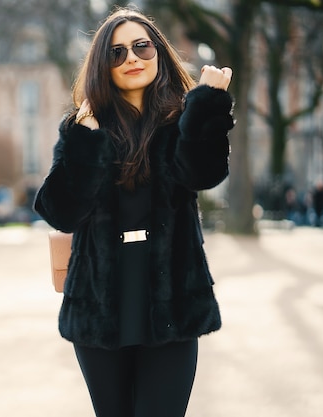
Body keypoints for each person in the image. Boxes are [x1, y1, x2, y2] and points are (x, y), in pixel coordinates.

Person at [33, 7, 234, 417]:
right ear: (101, 65)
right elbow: (60, 211)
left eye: (141, 47)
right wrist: (86, 142)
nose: (131, 59)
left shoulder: (182, 121)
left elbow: (204, 172)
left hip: (172, 305)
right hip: (100, 310)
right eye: (117, 52)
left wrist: (208, 103)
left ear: (158, 53)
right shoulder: (83, 126)